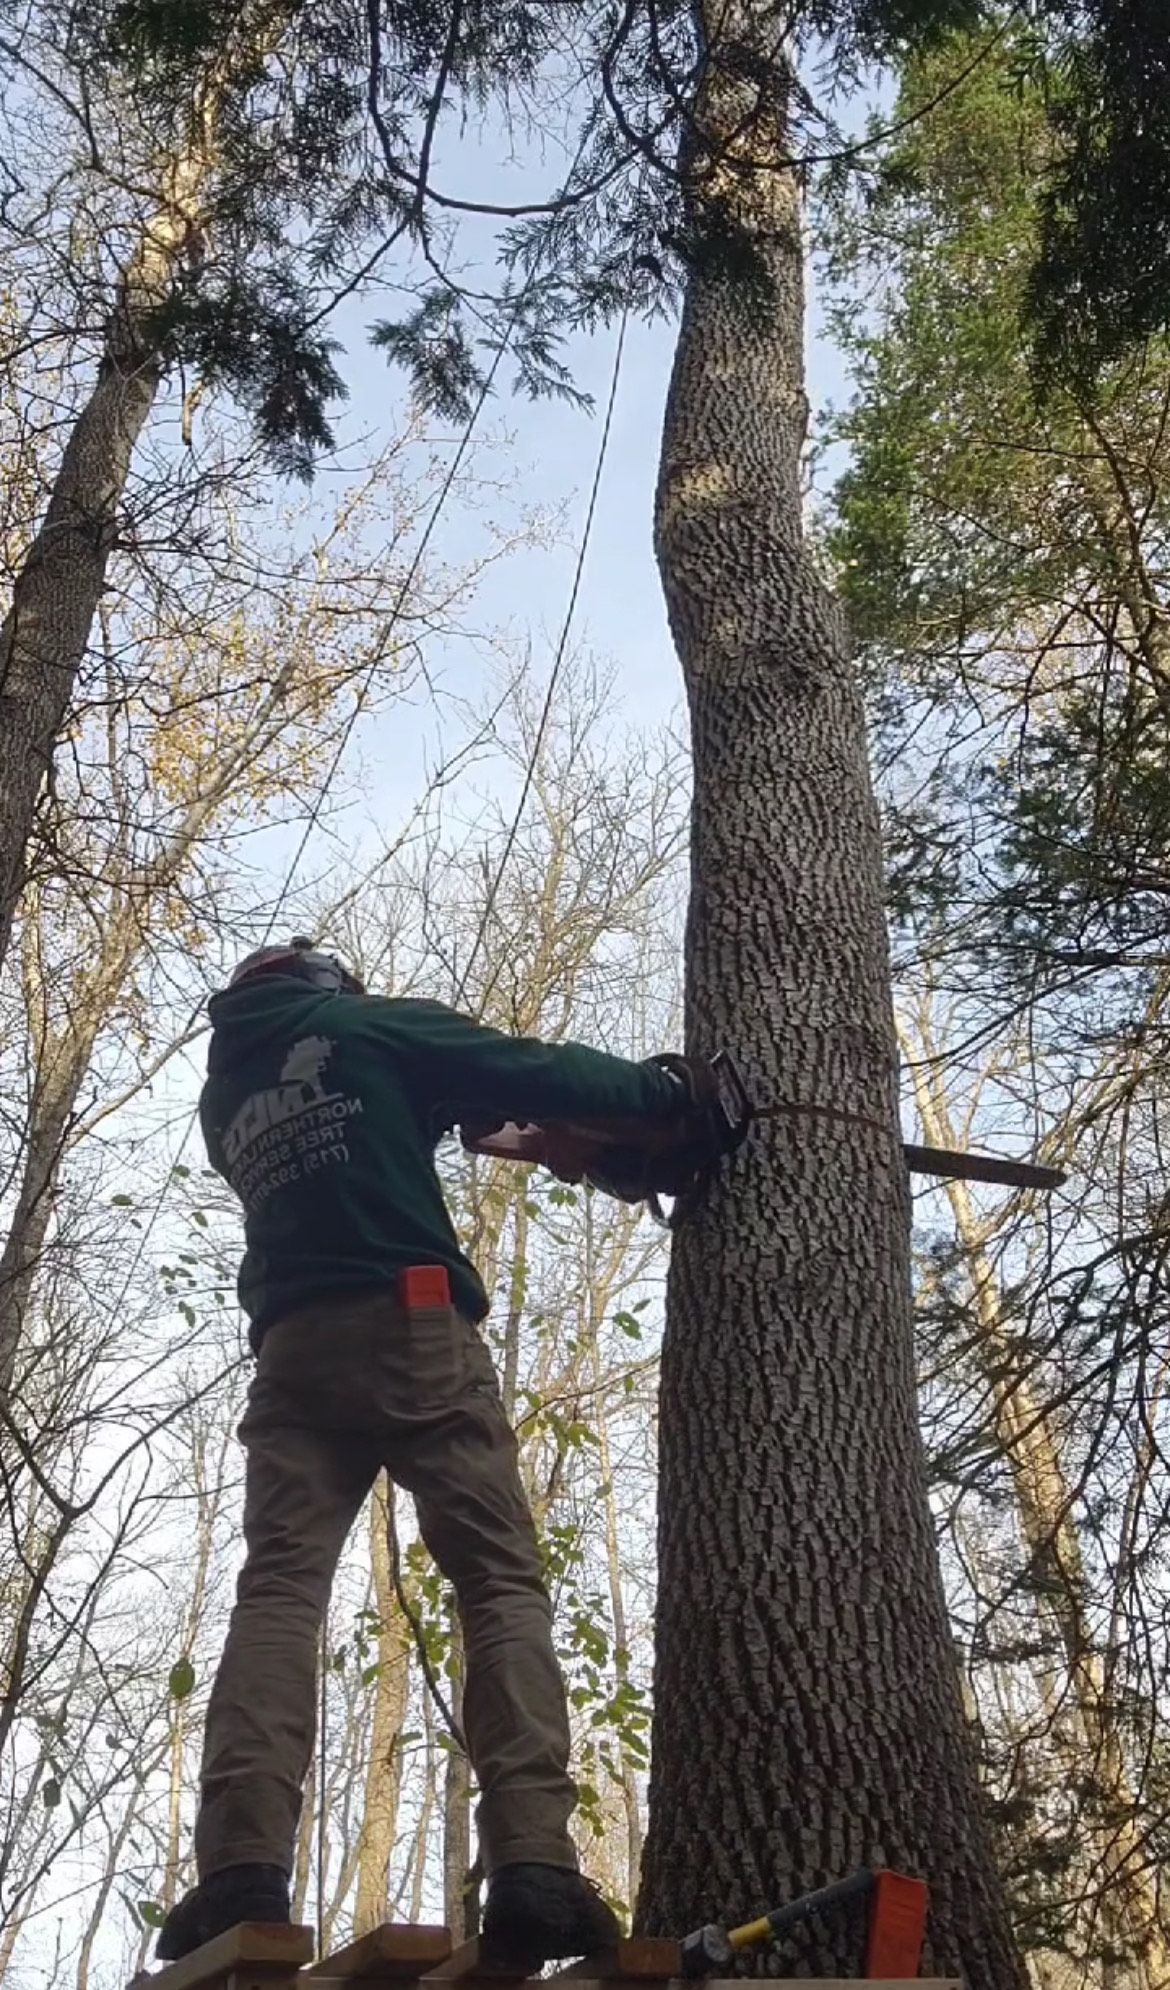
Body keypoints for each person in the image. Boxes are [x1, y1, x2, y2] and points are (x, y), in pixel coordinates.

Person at [158, 937, 714, 1966]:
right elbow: (528, 1067)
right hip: (411, 1326)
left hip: (290, 1353)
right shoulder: (366, 1029)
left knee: (278, 1592)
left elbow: (380, 1130)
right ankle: (535, 1866)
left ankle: (239, 1867)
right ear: (331, 992)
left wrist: (528, 1139)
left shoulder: (225, 1101)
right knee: (498, 1581)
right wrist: (656, 1093)